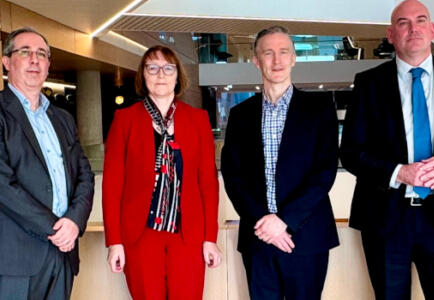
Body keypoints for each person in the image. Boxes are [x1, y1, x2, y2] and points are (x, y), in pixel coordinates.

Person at [340, 0, 434, 298]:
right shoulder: (368, 84)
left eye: (420, 20)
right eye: (403, 22)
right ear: (391, 34)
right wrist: (399, 172)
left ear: (432, 29)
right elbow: (350, 152)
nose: (413, 28)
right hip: (386, 220)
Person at [221, 26, 339, 300]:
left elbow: (324, 173)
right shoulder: (240, 115)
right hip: (259, 237)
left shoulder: (320, 109)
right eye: (268, 53)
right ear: (256, 60)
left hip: (307, 237)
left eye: (284, 52)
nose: (277, 60)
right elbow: (233, 176)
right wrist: (265, 222)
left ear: (294, 58)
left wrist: (283, 221)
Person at [102, 45, 221, 300]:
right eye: (152, 68)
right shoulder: (125, 120)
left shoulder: (197, 119)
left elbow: (208, 184)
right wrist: (115, 242)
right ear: (143, 75)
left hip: (187, 236)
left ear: (178, 76)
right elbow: (112, 185)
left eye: (168, 68)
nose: (160, 75)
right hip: (140, 235)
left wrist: (210, 238)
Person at [0, 27, 94, 300]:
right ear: (6, 62)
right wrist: (55, 228)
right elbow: (4, 186)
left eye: (42, 54)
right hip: (16, 258)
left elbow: (84, 176)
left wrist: (74, 222)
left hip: (63, 255)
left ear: (48, 65)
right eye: (25, 52)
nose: (34, 60)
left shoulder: (63, 118)